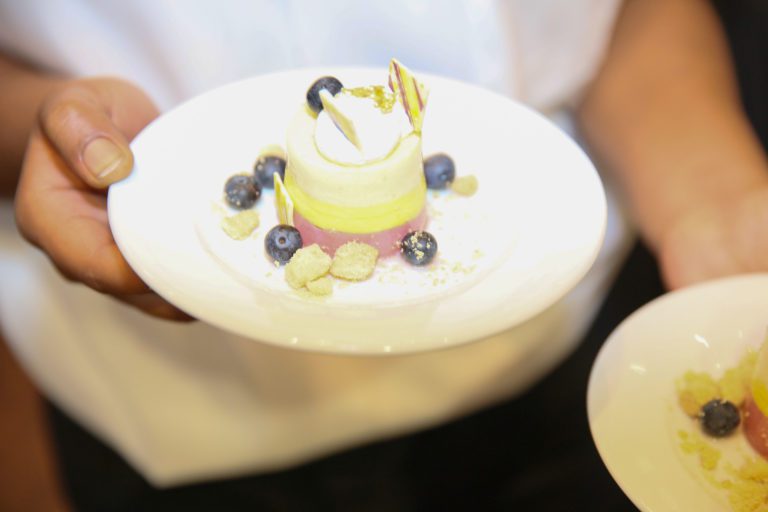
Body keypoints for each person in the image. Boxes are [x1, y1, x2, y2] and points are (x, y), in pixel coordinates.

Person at [1, 0, 766, 510]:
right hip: (180, 410)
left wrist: (716, 201)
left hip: (554, 363)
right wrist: (58, 136)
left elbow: (620, 16)